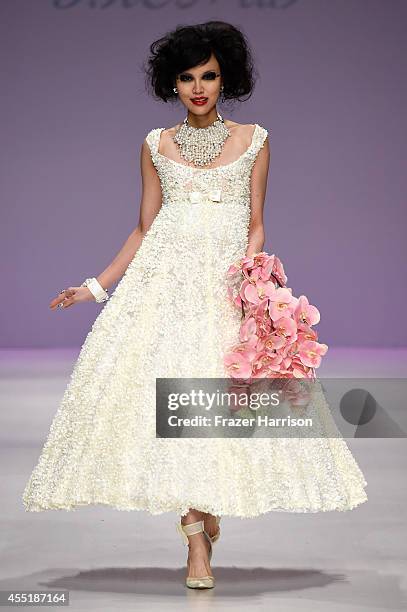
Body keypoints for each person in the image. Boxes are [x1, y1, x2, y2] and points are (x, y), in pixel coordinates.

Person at [22, 21, 368, 590]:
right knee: (169, 406)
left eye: (208, 74)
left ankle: (206, 513)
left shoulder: (255, 139)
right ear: (172, 84)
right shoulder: (155, 145)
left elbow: (255, 225)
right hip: (162, 289)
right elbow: (143, 227)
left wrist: (251, 284)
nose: (198, 86)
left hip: (227, 290)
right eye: (186, 77)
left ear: (225, 76)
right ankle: (195, 543)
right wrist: (96, 286)